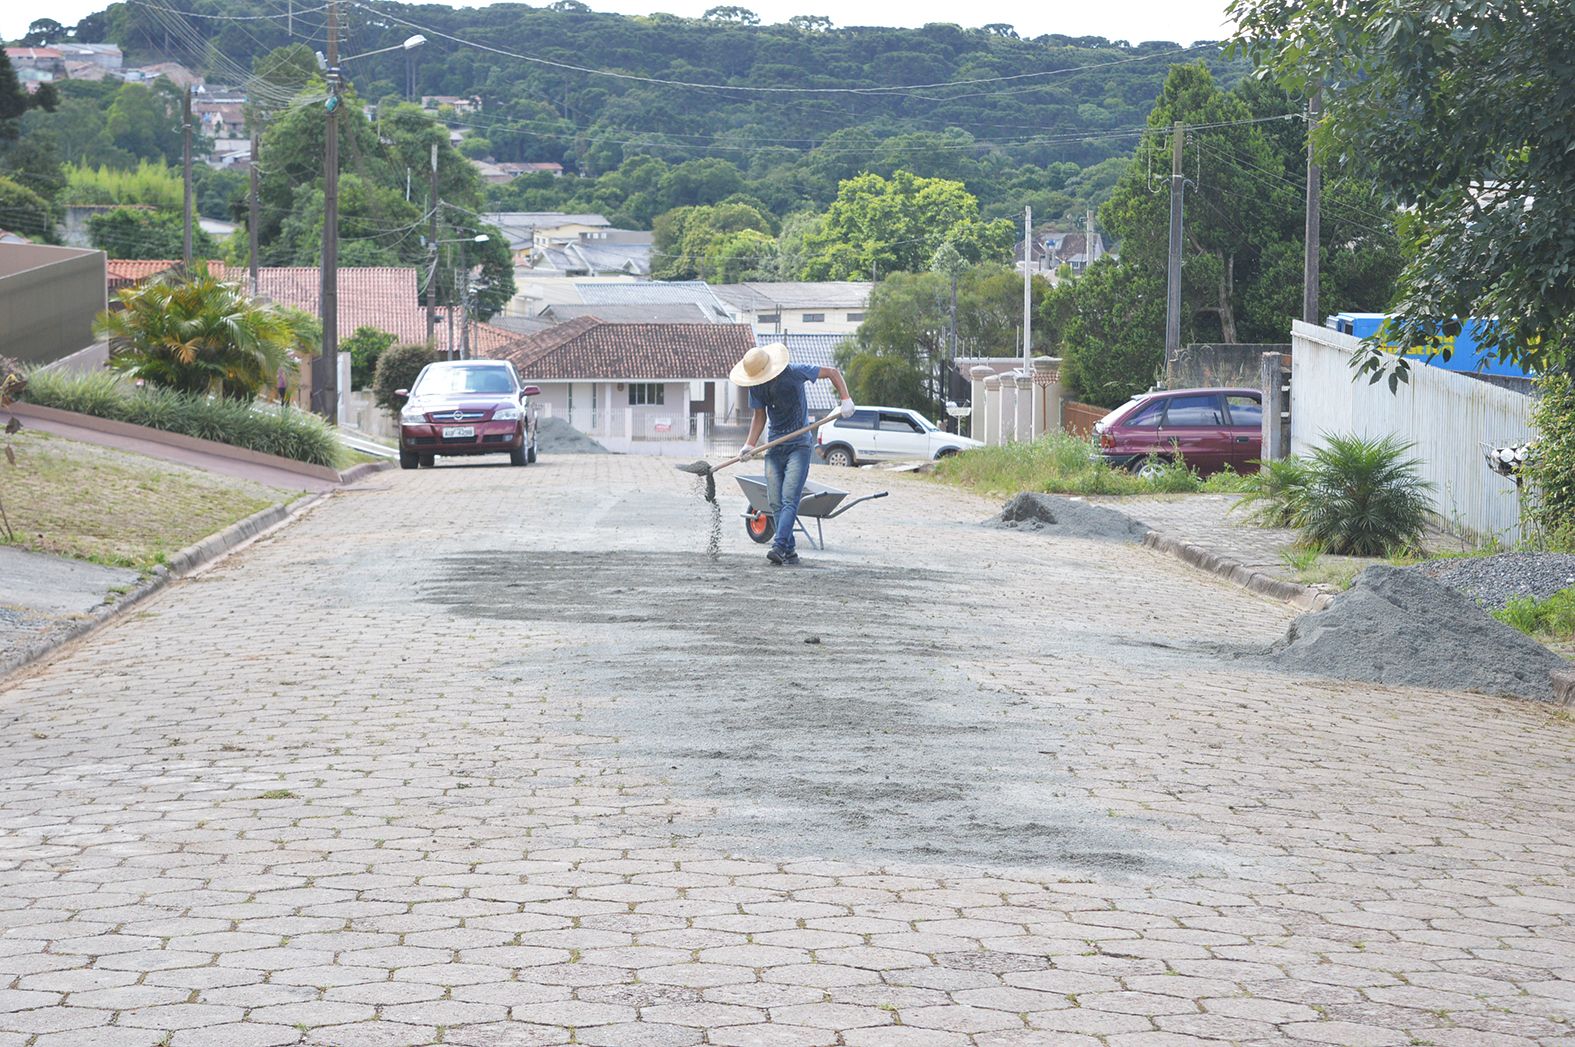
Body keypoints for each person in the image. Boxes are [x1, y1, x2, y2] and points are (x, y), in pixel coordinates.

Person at [730, 343, 855, 565]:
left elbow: (832, 373)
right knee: (774, 500)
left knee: (789, 497)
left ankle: (778, 547)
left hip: (799, 445)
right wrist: (749, 445)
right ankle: (789, 550)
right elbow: (760, 416)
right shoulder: (756, 386)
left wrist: (845, 400)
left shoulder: (795, 372)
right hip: (775, 446)